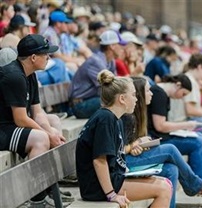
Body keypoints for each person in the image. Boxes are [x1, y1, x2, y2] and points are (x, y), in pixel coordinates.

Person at [75, 70, 171, 208]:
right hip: (97, 187)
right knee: (163, 189)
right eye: (133, 95)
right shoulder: (105, 119)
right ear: (121, 99)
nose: (137, 99)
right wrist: (111, 195)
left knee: (165, 183)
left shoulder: (116, 119)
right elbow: (99, 161)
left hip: (114, 179)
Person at [122, 76, 202, 208]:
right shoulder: (127, 117)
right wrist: (133, 146)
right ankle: (196, 185)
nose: (151, 93)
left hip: (131, 157)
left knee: (172, 169)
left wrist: (138, 145)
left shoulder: (140, 113)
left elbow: (133, 144)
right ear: (139, 94)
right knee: (170, 149)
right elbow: (120, 149)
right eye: (147, 91)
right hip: (123, 164)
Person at [0, 34, 66, 205]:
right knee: (41, 138)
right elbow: (21, 119)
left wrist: (51, 131)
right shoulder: (14, 76)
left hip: (10, 124)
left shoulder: (30, 74)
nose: (48, 57)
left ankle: (51, 186)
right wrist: (47, 134)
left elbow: (37, 112)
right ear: (33, 57)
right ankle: (37, 199)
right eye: (45, 54)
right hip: (3, 128)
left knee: (53, 123)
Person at [147, 74, 202, 184]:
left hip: (159, 136)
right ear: (178, 85)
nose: (182, 97)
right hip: (157, 139)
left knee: (199, 137)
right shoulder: (159, 94)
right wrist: (186, 125)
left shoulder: (163, 94)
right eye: (183, 93)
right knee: (197, 142)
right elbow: (160, 126)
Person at [69, 30, 127, 118]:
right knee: (119, 100)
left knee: (123, 98)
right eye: (120, 45)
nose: (123, 49)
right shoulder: (96, 61)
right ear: (112, 46)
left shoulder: (111, 61)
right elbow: (110, 87)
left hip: (93, 100)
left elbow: (115, 84)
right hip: (80, 105)